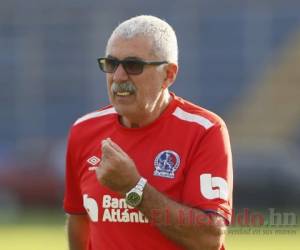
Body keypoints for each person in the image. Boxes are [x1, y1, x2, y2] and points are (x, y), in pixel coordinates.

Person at [63, 15, 233, 250]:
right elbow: (78, 219)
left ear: (169, 75)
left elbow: (208, 238)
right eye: (111, 64)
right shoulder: (84, 130)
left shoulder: (205, 130)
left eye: (134, 65)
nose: (119, 77)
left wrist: (134, 188)